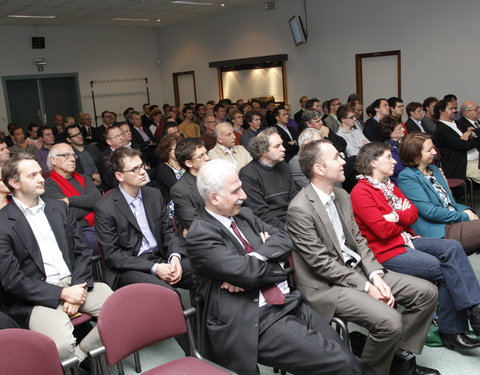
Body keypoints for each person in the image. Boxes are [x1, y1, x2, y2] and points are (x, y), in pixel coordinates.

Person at [186, 158, 376, 375]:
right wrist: (272, 263)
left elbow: (285, 240)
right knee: (343, 363)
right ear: (214, 198)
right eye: (235, 191)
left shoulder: (244, 215)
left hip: (289, 302)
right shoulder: (201, 234)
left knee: (344, 353)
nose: (244, 196)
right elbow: (248, 273)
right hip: (256, 319)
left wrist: (254, 259)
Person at [286, 139, 439, 375]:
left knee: (426, 292)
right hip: (327, 286)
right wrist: (368, 286)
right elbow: (321, 264)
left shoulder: (341, 195)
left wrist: (376, 275)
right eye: (336, 157)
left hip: (357, 271)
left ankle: (397, 359)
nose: (344, 161)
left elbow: (359, 241)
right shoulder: (300, 209)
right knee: (390, 321)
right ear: (319, 169)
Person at [351, 142, 480, 352]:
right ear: (374, 162)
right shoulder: (361, 191)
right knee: (448, 269)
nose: (394, 161)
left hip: (407, 239)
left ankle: (475, 310)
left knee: (453, 249)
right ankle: (452, 331)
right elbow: (382, 231)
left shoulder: (388, 185)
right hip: (386, 251)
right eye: (388, 157)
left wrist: (395, 217)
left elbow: (411, 214)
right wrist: (398, 216)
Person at [0, 152, 112, 364]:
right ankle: (79, 358)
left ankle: (81, 355)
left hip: (77, 283)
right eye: (32, 175)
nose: (41, 178)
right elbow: (12, 280)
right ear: (14, 182)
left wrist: (76, 287)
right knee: (60, 348)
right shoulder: (3, 223)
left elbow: (82, 251)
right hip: (36, 296)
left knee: (125, 313)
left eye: (39, 173)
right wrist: (62, 293)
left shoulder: (58, 208)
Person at [94, 147, 192, 291]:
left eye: (141, 166)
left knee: (206, 270)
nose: (142, 172)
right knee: (167, 294)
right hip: (130, 268)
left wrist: (175, 257)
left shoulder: (154, 195)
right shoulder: (105, 207)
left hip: (161, 257)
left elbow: (168, 232)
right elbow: (113, 255)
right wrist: (155, 268)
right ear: (119, 176)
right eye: (134, 169)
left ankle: (209, 314)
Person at [397, 132, 480, 255]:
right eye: (429, 150)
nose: (435, 152)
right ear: (416, 156)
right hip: (437, 231)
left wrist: (468, 210)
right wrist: (464, 216)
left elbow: (449, 202)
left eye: (433, 148)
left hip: (452, 222)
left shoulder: (434, 170)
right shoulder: (407, 177)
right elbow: (430, 212)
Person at [42, 143, 102, 253]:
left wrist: (69, 200)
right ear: (53, 160)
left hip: (101, 224)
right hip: (78, 232)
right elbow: (66, 214)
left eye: (73, 155)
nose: (72, 159)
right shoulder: (48, 185)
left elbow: (97, 200)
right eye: (66, 155)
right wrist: (89, 205)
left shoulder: (84, 178)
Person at [239, 127, 299, 229]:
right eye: (277, 146)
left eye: (282, 144)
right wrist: (288, 230)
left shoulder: (283, 165)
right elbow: (260, 213)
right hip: (272, 228)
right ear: (263, 152)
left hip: (293, 220)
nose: (283, 149)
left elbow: (295, 198)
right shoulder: (248, 175)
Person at [432, 99, 480, 181]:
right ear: (441, 111)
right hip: (463, 164)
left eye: (454, 108)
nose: (455, 111)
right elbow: (464, 145)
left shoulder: (457, 123)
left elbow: (477, 130)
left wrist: (470, 133)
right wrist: (475, 138)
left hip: (476, 160)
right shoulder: (441, 131)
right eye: (451, 109)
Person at [170, 138, 209, 235]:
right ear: (189, 163)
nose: (207, 158)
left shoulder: (217, 175)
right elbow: (195, 224)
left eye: (206, 153)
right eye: (201, 156)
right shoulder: (180, 190)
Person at [155, 135, 185, 218]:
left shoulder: (185, 164)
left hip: (190, 199)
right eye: (176, 149)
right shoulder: (163, 168)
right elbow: (177, 188)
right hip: (176, 204)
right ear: (167, 151)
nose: (180, 151)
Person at [379, 115, 405, 184]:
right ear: (390, 133)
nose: (403, 129)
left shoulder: (399, 144)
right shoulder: (388, 150)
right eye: (399, 129)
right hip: (399, 182)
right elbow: (399, 170)